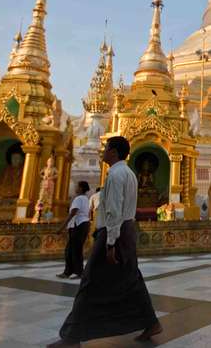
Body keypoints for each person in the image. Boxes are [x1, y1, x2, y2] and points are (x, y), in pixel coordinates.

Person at [51, 136, 161, 347]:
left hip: (115, 233)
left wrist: (110, 243)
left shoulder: (116, 175)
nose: (103, 151)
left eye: (106, 148)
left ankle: (72, 337)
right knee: (131, 279)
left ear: (114, 152)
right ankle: (151, 322)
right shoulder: (129, 173)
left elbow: (112, 210)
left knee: (90, 281)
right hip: (126, 231)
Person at [56, 181, 91, 280]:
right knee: (73, 249)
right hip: (83, 224)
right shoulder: (85, 199)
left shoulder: (78, 198)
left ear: (80, 188)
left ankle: (77, 271)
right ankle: (70, 271)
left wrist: (62, 227)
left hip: (78, 225)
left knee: (73, 249)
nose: (75, 188)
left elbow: (73, 213)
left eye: (76, 186)